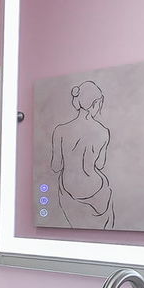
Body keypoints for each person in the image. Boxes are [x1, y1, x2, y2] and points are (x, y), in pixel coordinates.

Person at [49, 80, 114, 229]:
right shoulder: (103, 132)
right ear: (94, 104)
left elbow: (56, 166)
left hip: (68, 191)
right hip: (95, 189)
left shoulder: (60, 130)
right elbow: (100, 165)